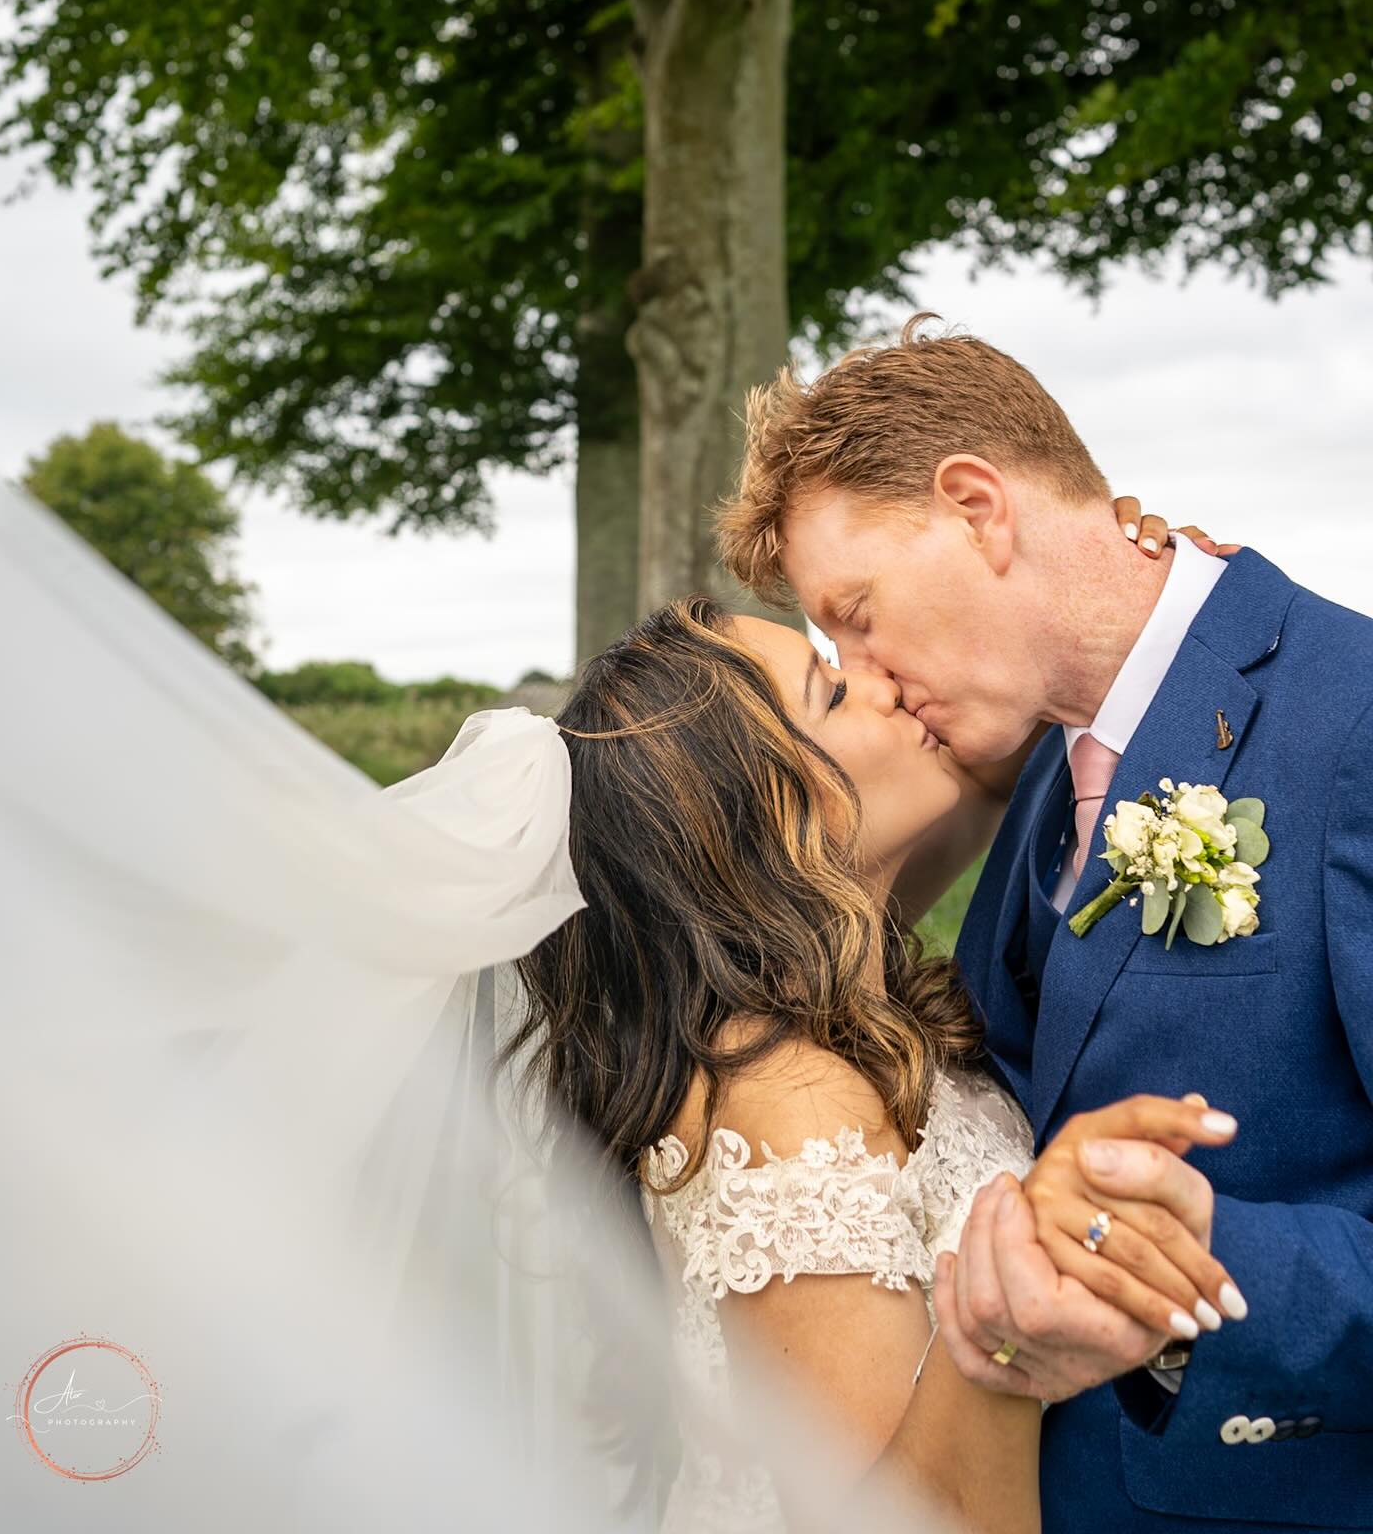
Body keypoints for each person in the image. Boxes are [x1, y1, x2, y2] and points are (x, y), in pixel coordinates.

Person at [716, 315, 1373, 1534]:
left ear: (977, 508)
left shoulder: (1354, 721)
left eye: (857, 612)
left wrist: (1193, 1267)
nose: (867, 673)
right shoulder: (1025, 772)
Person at [511, 565, 1242, 1534]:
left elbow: (997, 741)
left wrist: (1157, 585)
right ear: (762, 821)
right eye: (830, 687)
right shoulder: (789, 1104)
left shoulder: (833, 1001)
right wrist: (1007, 1326)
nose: (883, 680)